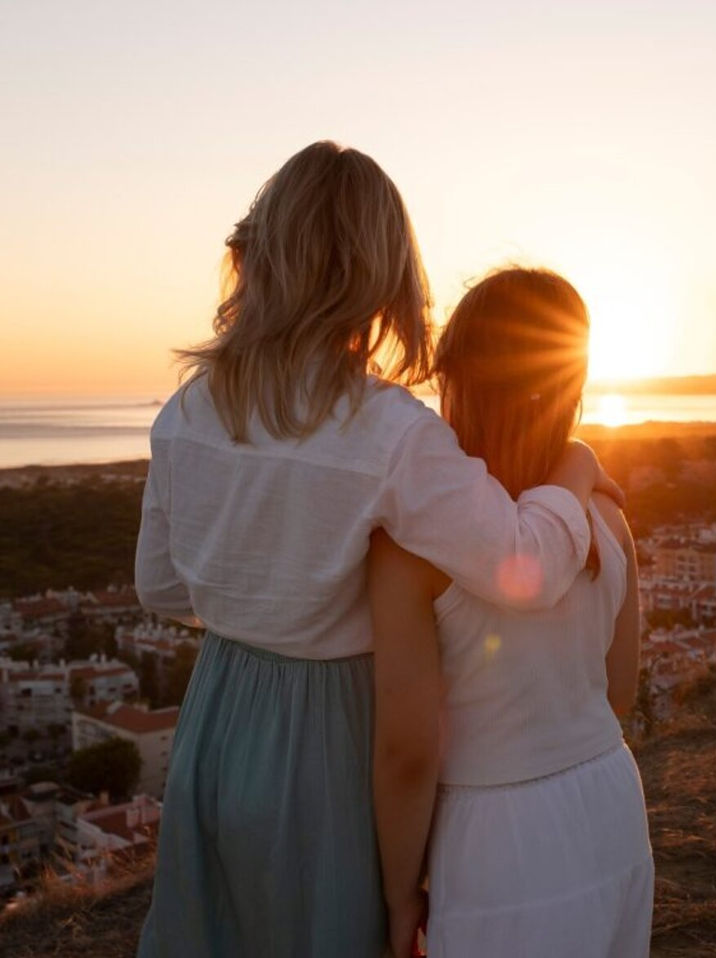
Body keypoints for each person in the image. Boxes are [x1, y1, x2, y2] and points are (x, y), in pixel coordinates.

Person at [134, 143, 614, 958]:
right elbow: (526, 569)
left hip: (217, 713)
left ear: (261, 260)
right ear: (383, 275)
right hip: (334, 733)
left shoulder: (186, 412)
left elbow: (160, 587)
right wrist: (575, 468)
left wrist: (259, 605)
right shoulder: (391, 432)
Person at [368, 268, 653, 958]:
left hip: (496, 835)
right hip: (610, 803)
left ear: (457, 383)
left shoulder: (411, 550)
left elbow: (408, 752)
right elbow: (620, 691)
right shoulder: (609, 516)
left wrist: (400, 895)